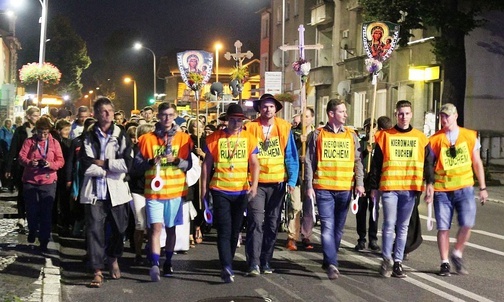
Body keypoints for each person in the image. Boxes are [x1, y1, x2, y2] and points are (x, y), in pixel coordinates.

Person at [369, 100, 434, 278]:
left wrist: (430, 184)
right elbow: (376, 164)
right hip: (390, 188)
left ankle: (397, 262)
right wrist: (373, 187)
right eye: (400, 114)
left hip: (410, 189)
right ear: (396, 114)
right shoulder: (384, 136)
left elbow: (429, 164)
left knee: (403, 227)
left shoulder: (421, 138)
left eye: (406, 113)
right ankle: (386, 260)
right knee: (389, 224)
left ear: (411, 114)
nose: (403, 117)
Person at [305, 99, 364, 280]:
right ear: (331, 114)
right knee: (327, 227)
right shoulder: (317, 135)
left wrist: (360, 183)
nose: (345, 115)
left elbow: (357, 161)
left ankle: (329, 257)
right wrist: (308, 185)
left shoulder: (351, 135)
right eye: (341, 112)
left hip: (345, 188)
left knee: (338, 229)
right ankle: (332, 263)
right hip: (324, 188)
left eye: (345, 111)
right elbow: (309, 161)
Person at [200, 104, 259, 283]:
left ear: (243, 121)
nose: (235, 123)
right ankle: (226, 266)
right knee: (224, 230)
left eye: (239, 120)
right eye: (232, 120)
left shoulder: (249, 138)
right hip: (220, 189)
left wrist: (254, 185)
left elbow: (255, 163)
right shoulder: (214, 138)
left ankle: (229, 262)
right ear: (226, 120)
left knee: (235, 231)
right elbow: (206, 165)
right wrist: (203, 191)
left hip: (241, 191)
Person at [428, 103, 488, 276]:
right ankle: (444, 262)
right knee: (443, 227)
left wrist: (483, 187)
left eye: (447, 116)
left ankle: (457, 253)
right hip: (443, 189)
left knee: (467, 224)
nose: (444, 119)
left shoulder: (469, 136)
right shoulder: (435, 139)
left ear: (456, 116)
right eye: (441, 116)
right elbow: (429, 165)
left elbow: (477, 162)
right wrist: (429, 185)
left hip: (465, 188)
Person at [135, 102, 193, 282]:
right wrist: (152, 161)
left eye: (170, 115)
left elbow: (189, 165)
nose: (167, 118)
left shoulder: (184, 138)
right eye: (163, 115)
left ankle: (168, 260)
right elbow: (137, 165)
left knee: (171, 229)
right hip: (154, 192)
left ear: (175, 116)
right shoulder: (146, 139)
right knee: (155, 228)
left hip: (175, 192)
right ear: (157, 117)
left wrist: (176, 160)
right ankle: (154, 263)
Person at [79, 97, 133, 288]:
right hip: (94, 192)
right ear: (96, 114)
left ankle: (112, 257)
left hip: (117, 191)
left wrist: (103, 163)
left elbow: (127, 163)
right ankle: (97, 270)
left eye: (110, 110)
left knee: (120, 229)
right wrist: (109, 168)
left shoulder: (121, 134)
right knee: (94, 231)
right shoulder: (88, 137)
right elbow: (85, 165)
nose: (108, 114)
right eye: (103, 111)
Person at [244, 94, 299, 276]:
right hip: (256, 184)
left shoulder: (284, 127)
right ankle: (253, 262)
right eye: (265, 106)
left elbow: (291, 156)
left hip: (277, 184)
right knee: (256, 222)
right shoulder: (250, 128)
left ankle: (266, 261)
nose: (268, 109)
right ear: (259, 109)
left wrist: (291, 180)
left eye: (271, 106)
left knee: (273, 224)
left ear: (276, 109)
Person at [18, 116, 64, 252]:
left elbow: (60, 161)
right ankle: (32, 229)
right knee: (32, 210)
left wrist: (50, 164)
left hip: (48, 181)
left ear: (49, 131)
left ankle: (44, 239)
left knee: (46, 212)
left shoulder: (55, 143)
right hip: (30, 180)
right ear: (36, 131)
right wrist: (29, 162)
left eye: (45, 133)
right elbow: (21, 156)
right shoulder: (29, 142)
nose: (42, 135)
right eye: (40, 132)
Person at [5, 106, 41, 232]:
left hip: (37, 167)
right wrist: (8, 168)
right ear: (28, 116)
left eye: (38, 115)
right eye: (35, 115)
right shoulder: (20, 131)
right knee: (22, 192)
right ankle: (21, 217)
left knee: (35, 193)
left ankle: (33, 218)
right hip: (22, 166)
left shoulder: (41, 130)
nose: (37, 118)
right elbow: (13, 149)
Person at [286, 108, 316, 251]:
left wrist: (308, 159)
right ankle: (292, 236)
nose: (305, 119)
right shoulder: (294, 133)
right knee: (295, 206)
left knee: (308, 208)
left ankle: (306, 235)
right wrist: (299, 141)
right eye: (303, 116)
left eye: (308, 116)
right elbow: (290, 151)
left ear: (312, 118)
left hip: (310, 176)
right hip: (297, 176)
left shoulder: (317, 134)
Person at [128, 123, 155, 265]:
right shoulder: (134, 150)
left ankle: (151, 251)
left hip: (153, 190)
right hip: (137, 190)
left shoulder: (155, 149)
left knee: (153, 224)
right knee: (140, 223)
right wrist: (149, 164)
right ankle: (138, 253)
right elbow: (133, 171)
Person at [354, 118, 381, 252]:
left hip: (374, 183)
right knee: (361, 212)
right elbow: (357, 159)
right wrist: (366, 152)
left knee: (374, 212)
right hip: (362, 182)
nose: (371, 130)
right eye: (368, 127)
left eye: (373, 127)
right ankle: (361, 238)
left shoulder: (379, 144)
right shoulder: (361, 144)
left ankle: (373, 238)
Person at [186, 118, 206, 245]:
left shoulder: (207, 141)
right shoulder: (187, 141)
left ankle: (199, 226)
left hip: (203, 176)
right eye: (194, 126)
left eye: (200, 126)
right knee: (191, 201)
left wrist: (202, 154)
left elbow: (212, 159)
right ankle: (190, 231)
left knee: (202, 203)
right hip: (191, 176)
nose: (198, 129)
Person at [0, 119, 14, 190]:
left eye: (9, 123)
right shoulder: (2, 131)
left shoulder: (12, 130)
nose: (9, 125)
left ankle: (9, 183)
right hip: (4, 152)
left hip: (10, 151)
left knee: (10, 167)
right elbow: (1, 141)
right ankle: (5, 184)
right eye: (7, 123)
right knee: (5, 167)